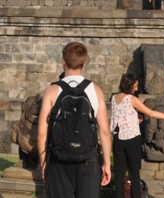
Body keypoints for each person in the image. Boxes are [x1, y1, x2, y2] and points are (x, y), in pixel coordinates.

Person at [38, 42, 112, 198]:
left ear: (63, 61)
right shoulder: (95, 91)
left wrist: (44, 163)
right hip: (88, 160)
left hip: (59, 160)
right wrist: (106, 163)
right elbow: (104, 132)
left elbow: (42, 134)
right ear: (84, 64)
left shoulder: (51, 91)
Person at [110, 73, 164, 198]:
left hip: (118, 138)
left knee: (119, 174)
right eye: (135, 86)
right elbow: (151, 113)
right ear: (129, 85)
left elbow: (120, 117)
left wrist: (135, 121)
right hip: (132, 139)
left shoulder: (114, 98)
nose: (136, 88)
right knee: (134, 174)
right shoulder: (132, 99)